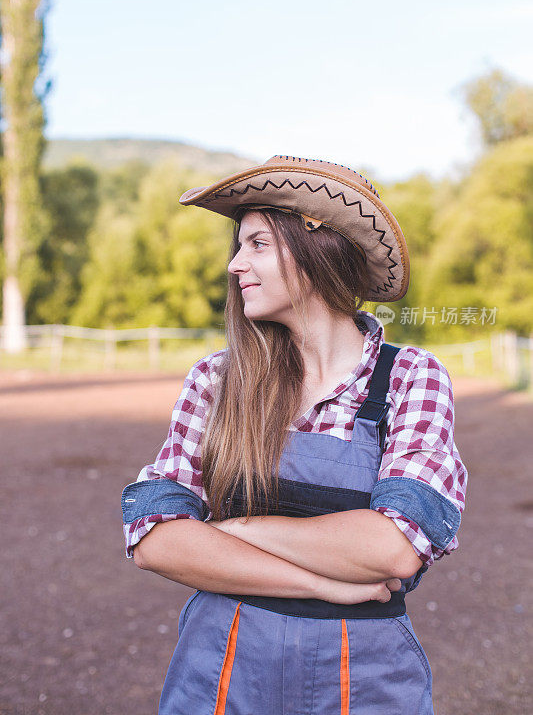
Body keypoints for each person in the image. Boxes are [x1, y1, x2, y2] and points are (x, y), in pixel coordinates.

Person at [121, 155, 468, 715]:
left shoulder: (411, 377)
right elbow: (153, 536)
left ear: (318, 250)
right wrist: (326, 585)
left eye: (257, 244)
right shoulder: (215, 380)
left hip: (364, 686)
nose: (236, 265)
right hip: (219, 676)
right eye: (239, 246)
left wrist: (233, 530)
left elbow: (394, 548)